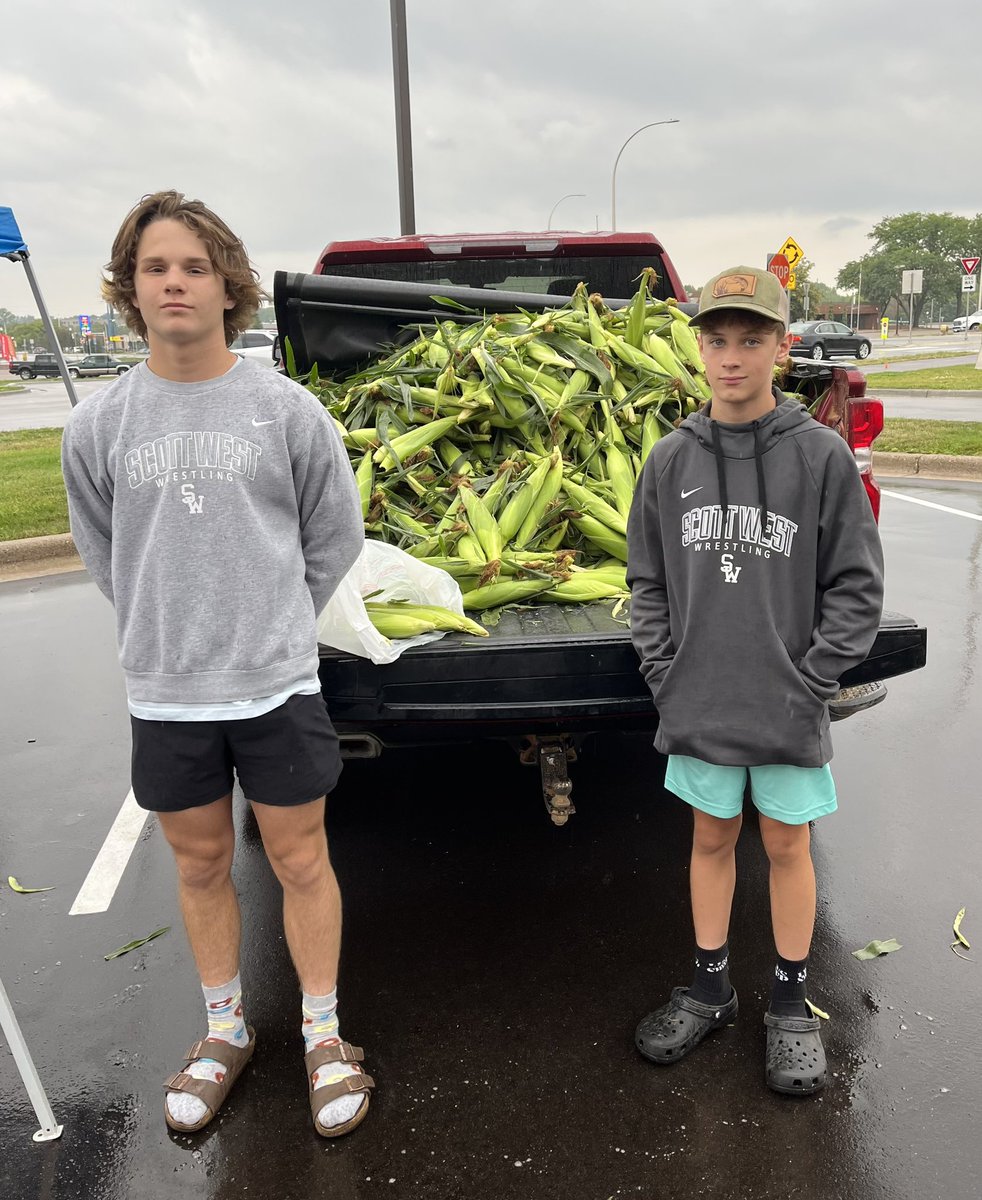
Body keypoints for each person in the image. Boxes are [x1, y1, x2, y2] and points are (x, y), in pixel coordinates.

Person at [61, 191, 372, 1135]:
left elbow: (334, 534)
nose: (175, 283)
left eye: (194, 267)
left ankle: (324, 1035)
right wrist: (169, 624)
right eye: (155, 267)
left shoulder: (286, 411)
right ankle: (225, 1029)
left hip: (276, 684)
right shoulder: (99, 425)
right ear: (130, 288)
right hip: (168, 692)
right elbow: (105, 551)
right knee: (199, 864)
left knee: (300, 858)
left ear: (227, 286)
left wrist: (272, 619)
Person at [626, 265, 884, 1095]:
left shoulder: (820, 456)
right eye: (717, 339)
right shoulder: (670, 460)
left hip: (787, 701)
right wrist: (665, 672)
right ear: (698, 348)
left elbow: (856, 584)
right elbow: (647, 581)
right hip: (699, 698)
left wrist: (814, 677)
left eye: (751, 339)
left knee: (785, 844)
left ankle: (790, 1002)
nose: (732, 356)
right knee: (709, 837)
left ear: (781, 346)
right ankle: (710, 989)